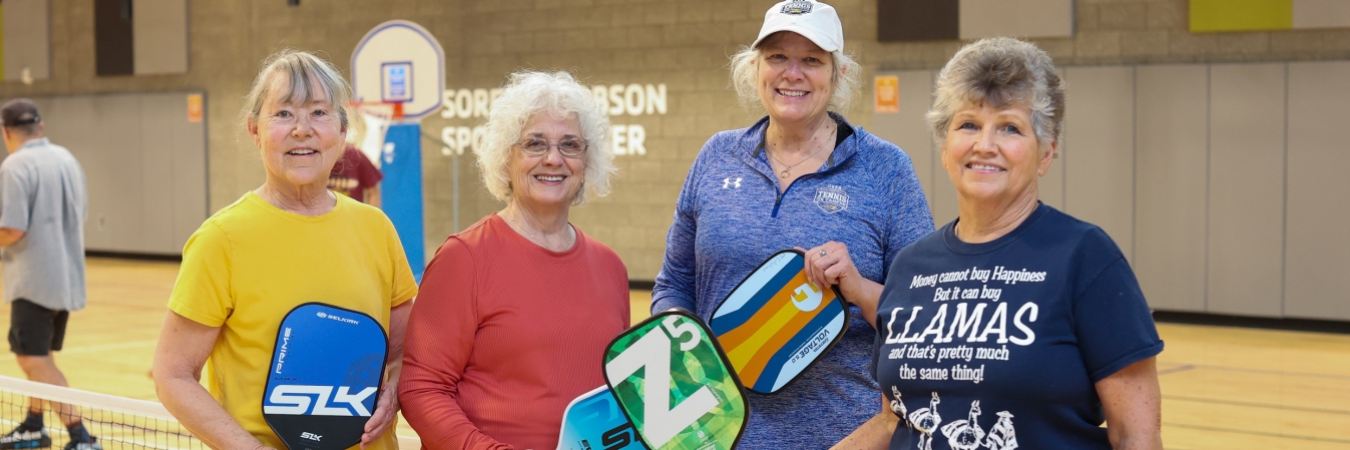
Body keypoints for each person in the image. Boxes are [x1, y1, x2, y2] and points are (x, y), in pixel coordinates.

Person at [833, 37, 1164, 450]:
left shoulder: (1086, 259)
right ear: (945, 146)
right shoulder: (911, 266)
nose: (984, 145)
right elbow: (892, 420)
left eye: (1010, 127)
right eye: (968, 124)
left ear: (1046, 152)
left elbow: (1136, 436)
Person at [651, 1, 934, 447]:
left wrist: (857, 288)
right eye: (778, 56)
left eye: (812, 60)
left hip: (844, 436)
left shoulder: (886, 169)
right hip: (715, 434)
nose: (792, 73)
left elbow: (927, 318)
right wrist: (681, 338)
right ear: (755, 67)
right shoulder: (716, 156)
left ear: (838, 74)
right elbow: (674, 284)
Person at [152, 50, 418, 450]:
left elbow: (401, 353)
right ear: (254, 130)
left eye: (318, 112)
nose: (302, 129)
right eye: (283, 114)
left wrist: (394, 392)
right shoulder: (221, 239)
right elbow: (172, 374)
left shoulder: (377, 229)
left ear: (342, 132)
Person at [398, 71, 628, 450]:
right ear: (506, 158)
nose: (553, 159)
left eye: (570, 145)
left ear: (587, 161)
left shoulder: (610, 267)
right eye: (535, 144)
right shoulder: (464, 258)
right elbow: (422, 389)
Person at [0, 99, 100, 450]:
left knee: (30, 358)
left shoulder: (14, 166)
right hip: (67, 277)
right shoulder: (67, 159)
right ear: (41, 127)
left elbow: (12, 230)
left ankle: (82, 437)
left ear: (5, 132)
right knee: (41, 356)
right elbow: (79, 215)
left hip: (34, 281)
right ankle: (33, 427)